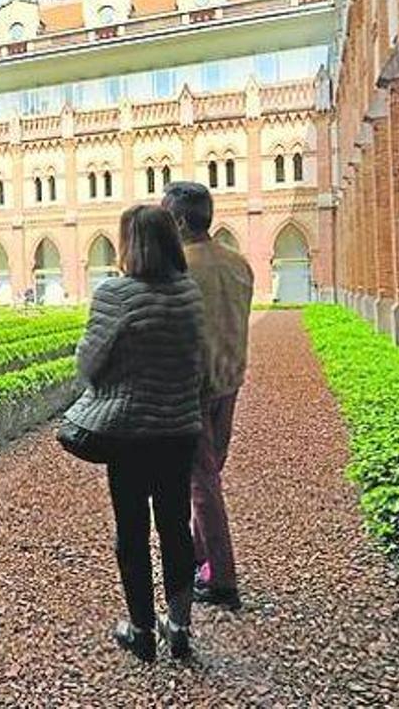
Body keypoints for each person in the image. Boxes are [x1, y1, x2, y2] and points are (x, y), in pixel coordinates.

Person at [64, 205, 206, 662]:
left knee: (131, 531)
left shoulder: (115, 295)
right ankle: (180, 627)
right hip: (179, 428)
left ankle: (142, 631)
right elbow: (196, 362)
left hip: (129, 433)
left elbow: (87, 365)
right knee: (175, 526)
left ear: (131, 244)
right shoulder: (189, 293)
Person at [162, 182, 254, 611]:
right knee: (209, 474)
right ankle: (202, 558)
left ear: (179, 220)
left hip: (193, 389)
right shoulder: (239, 264)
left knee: (201, 482)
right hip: (230, 382)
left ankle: (221, 577)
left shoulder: (177, 268)